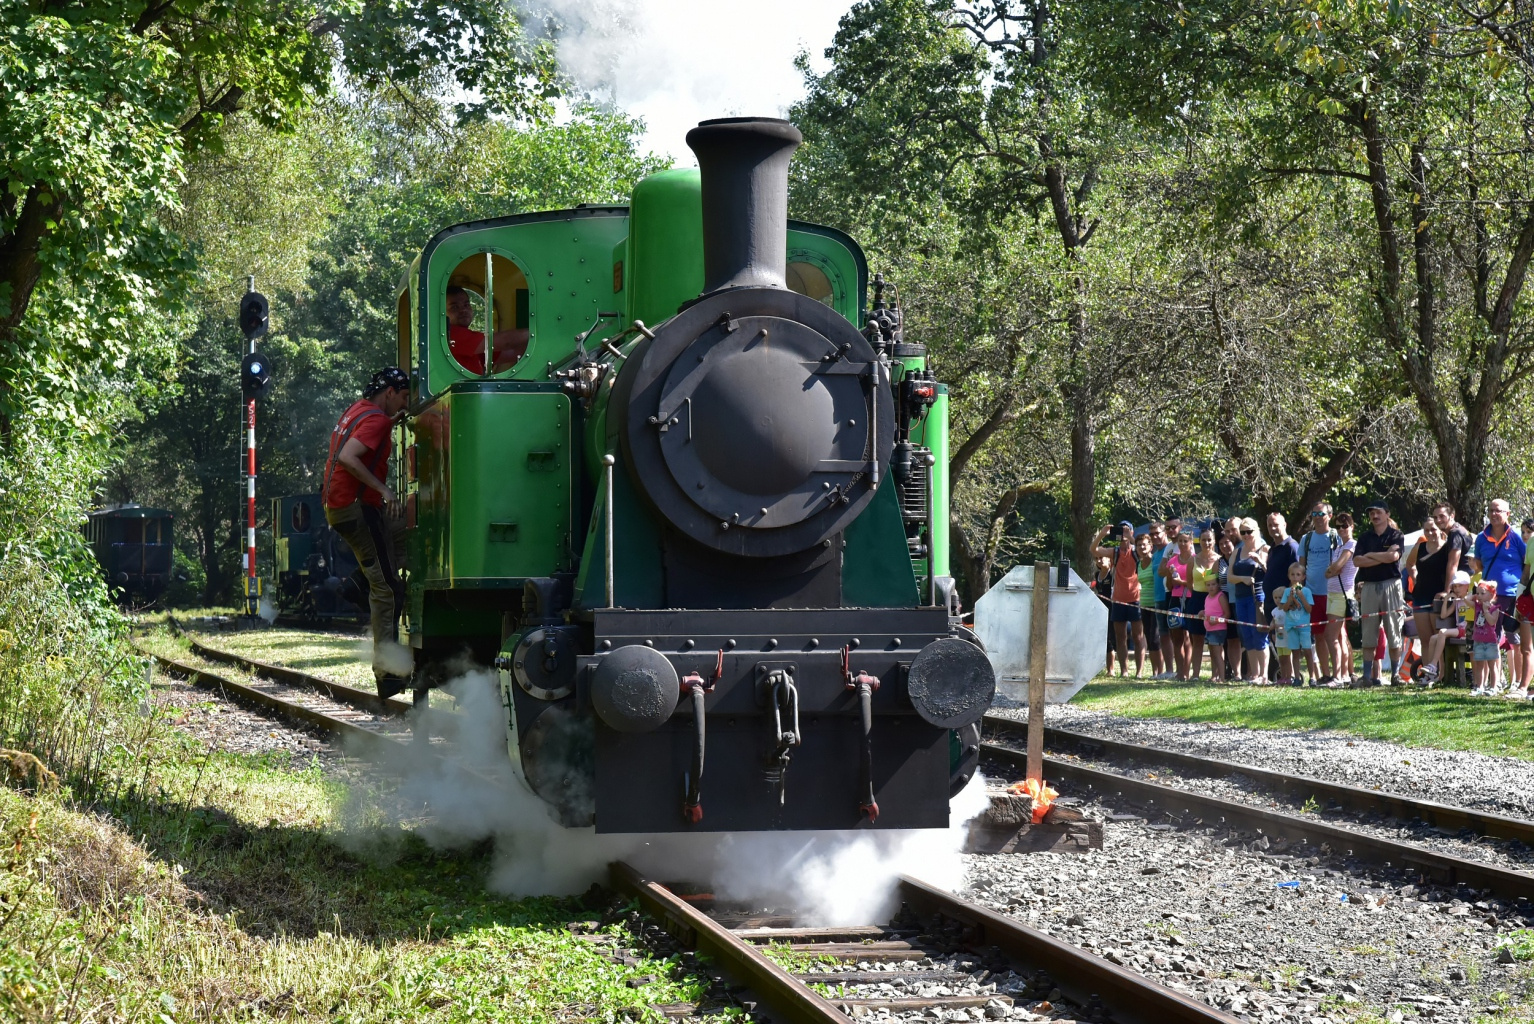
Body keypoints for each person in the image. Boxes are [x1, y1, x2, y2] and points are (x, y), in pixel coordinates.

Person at [323, 366, 413, 699]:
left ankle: (358, 583)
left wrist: (392, 419)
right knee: (388, 588)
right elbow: (349, 457)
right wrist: (384, 489)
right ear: (389, 392)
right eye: (404, 398)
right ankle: (388, 674)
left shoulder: (358, 410)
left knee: (407, 530)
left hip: (341, 507)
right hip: (358, 509)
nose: (405, 405)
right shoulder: (377, 420)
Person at [1472, 498, 1527, 691]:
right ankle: (1494, 683)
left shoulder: (1517, 536)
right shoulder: (1481, 538)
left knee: (1515, 639)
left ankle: (1518, 682)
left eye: (1498, 510)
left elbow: (1527, 563)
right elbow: (1479, 564)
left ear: (1507, 514)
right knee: (1491, 639)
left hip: (1513, 595)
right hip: (1490, 597)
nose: (1494, 514)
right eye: (1491, 510)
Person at [1352, 502, 1405, 686]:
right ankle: (1367, 676)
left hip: (1391, 584)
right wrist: (1383, 556)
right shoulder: (1364, 537)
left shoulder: (1396, 535)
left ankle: (1395, 675)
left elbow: (1393, 557)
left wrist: (1370, 555)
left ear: (1387, 514)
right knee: (1368, 632)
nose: (1375, 516)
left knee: (1393, 629)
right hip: (1369, 586)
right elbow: (1357, 561)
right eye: (1372, 513)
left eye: (1378, 512)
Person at [1093, 522, 1145, 677]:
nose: (1123, 534)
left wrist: (1131, 537)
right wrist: (1102, 534)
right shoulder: (1114, 552)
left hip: (1135, 598)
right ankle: (1124, 671)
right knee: (1120, 637)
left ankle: (1139, 672)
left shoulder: (1136, 551)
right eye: (1121, 531)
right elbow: (1093, 550)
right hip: (1117, 599)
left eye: (1126, 530)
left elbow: (1146, 551)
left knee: (1138, 636)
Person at [1296, 503, 1339, 683]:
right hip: (1312, 594)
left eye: (1321, 514)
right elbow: (1300, 567)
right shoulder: (1306, 539)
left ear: (1330, 515)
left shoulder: (1336, 536)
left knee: (1337, 636)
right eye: (1314, 514)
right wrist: (1299, 590)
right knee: (1319, 636)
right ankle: (1326, 675)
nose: (1317, 517)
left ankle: (1341, 675)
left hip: (1333, 593)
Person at [446, 285, 530, 374]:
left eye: (466, 305)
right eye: (454, 307)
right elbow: (506, 341)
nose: (463, 310)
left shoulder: (471, 344)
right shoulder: (451, 334)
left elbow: (513, 353)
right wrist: (535, 333)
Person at [1405, 520, 1449, 671]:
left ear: (1440, 529)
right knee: (1425, 640)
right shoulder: (1420, 546)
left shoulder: (1447, 548)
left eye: (1433, 529)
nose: (1430, 533)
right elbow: (1409, 564)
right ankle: (1427, 674)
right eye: (1426, 530)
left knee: (1438, 639)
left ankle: (1442, 673)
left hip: (1438, 598)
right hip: (1420, 596)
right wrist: (1414, 578)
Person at [1230, 517, 1269, 683]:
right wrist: (1242, 579)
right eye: (1243, 532)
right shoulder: (1237, 551)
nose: (1246, 535)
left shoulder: (1264, 549)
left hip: (1257, 597)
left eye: (1249, 531)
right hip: (1240, 598)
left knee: (1259, 634)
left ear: (1256, 530)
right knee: (1247, 636)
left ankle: (1264, 675)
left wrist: (1260, 561)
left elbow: (1270, 572)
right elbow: (1229, 576)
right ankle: (1254, 674)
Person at [1263, 512, 1300, 681]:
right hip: (1273, 604)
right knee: (1278, 641)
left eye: (1276, 524)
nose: (1273, 528)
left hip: (1286, 605)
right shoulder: (1272, 548)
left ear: (1284, 525)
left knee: (1288, 642)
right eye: (1270, 525)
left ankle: (1292, 676)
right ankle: (1284, 676)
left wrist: (1290, 601)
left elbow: (1297, 577)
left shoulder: (1292, 547)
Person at [1324, 512, 1359, 687]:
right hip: (1332, 593)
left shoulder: (1352, 544)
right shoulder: (1338, 547)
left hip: (1342, 594)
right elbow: (1329, 571)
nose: (1341, 529)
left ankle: (1337, 676)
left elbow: (1337, 567)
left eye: (1344, 526)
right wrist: (1332, 570)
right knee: (1339, 635)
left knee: (1330, 635)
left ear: (1352, 526)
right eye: (1338, 526)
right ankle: (1344, 674)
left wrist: (1332, 569)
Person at [1420, 571, 1473, 686]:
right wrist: (1446, 600)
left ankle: (1434, 665)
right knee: (1433, 638)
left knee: (1442, 632)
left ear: (1467, 586)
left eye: (1460, 586)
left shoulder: (1471, 598)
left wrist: (1464, 599)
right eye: (1455, 586)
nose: (1457, 589)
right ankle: (1431, 674)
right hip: (1459, 630)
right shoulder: (1456, 601)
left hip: (1466, 630)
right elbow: (1443, 615)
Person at [1160, 530, 1196, 680]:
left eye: (1185, 541)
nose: (1182, 544)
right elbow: (1169, 586)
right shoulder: (1172, 561)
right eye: (1180, 541)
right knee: (1177, 637)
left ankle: (1188, 671)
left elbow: (1196, 584)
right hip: (1175, 599)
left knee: (1191, 637)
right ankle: (1180, 672)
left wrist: (1181, 582)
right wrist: (1170, 576)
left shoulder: (1196, 559)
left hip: (1191, 599)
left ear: (1191, 542)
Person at [1273, 562, 1316, 686]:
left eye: (1298, 574)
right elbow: (1284, 608)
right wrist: (1290, 598)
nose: (1295, 577)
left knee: (1307, 652)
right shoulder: (1287, 591)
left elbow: (1309, 609)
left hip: (1304, 627)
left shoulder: (1306, 591)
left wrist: (1301, 596)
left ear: (1303, 577)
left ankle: (1312, 677)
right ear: (1289, 576)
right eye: (1292, 574)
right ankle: (1296, 678)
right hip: (1291, 626)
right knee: (1295, 653)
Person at [1189, 526, 1220, 681]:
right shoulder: (1193, 559)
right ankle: (1195, 674)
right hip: (1196, 599)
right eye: (1203, 540)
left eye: (1209, 540)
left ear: (1214, 541)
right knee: (1197, 639)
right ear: (1199, 541)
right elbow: (1189, 582)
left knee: (1214, 640)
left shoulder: (1219, 559)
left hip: (1215, 601)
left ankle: (1215, 675)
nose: (1206, 543)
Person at [1205, 533, 1235, 683]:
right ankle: (1216, 675)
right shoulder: (1219, 562)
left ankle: (1230, 674)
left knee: (1232, 641)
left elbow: (1226, 614)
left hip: (1233, 602)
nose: (1224, 546)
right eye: (1221, 543)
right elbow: (1211, 579)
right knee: (1215, 650)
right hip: (1218, 608)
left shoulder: (1238, 557)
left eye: (1227, 542)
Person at [1136, 533, 1167, 678]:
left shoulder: (1155, 560)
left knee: (1155, 638)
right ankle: (1155, 672)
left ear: (1150, 546)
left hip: (1156, 603)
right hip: (1144, 605)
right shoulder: (1138, 564)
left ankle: (1161, 671)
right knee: (1149, 638)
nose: (1142, 547)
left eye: (1144, 544)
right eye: (1139, 545)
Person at [1149, 522, 1175, 679]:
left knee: (1177, 635)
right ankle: (1169, 670)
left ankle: (1183, 670)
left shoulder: (1171, 550)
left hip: (1171, 595)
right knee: (1163, 634)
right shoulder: (1155, 554)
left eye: (1157, 533)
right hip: (1158, 598)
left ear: (1164, 533)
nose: (1155, 536)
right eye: (1152, 534)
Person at [1470, 580, 1505, 696]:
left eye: (1482, 593)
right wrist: (1474, 595)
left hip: (1490, 642)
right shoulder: (1477, 606)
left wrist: (1485, 610)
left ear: (1491, 595)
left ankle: (1493, 687)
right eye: (1477, 593)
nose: (1479, 596)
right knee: (1479, 665)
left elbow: (1491, 621)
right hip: (1478, 640)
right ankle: (1479, 687)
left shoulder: (1495, 608)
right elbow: (1465, 599)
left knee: (1492, 665)